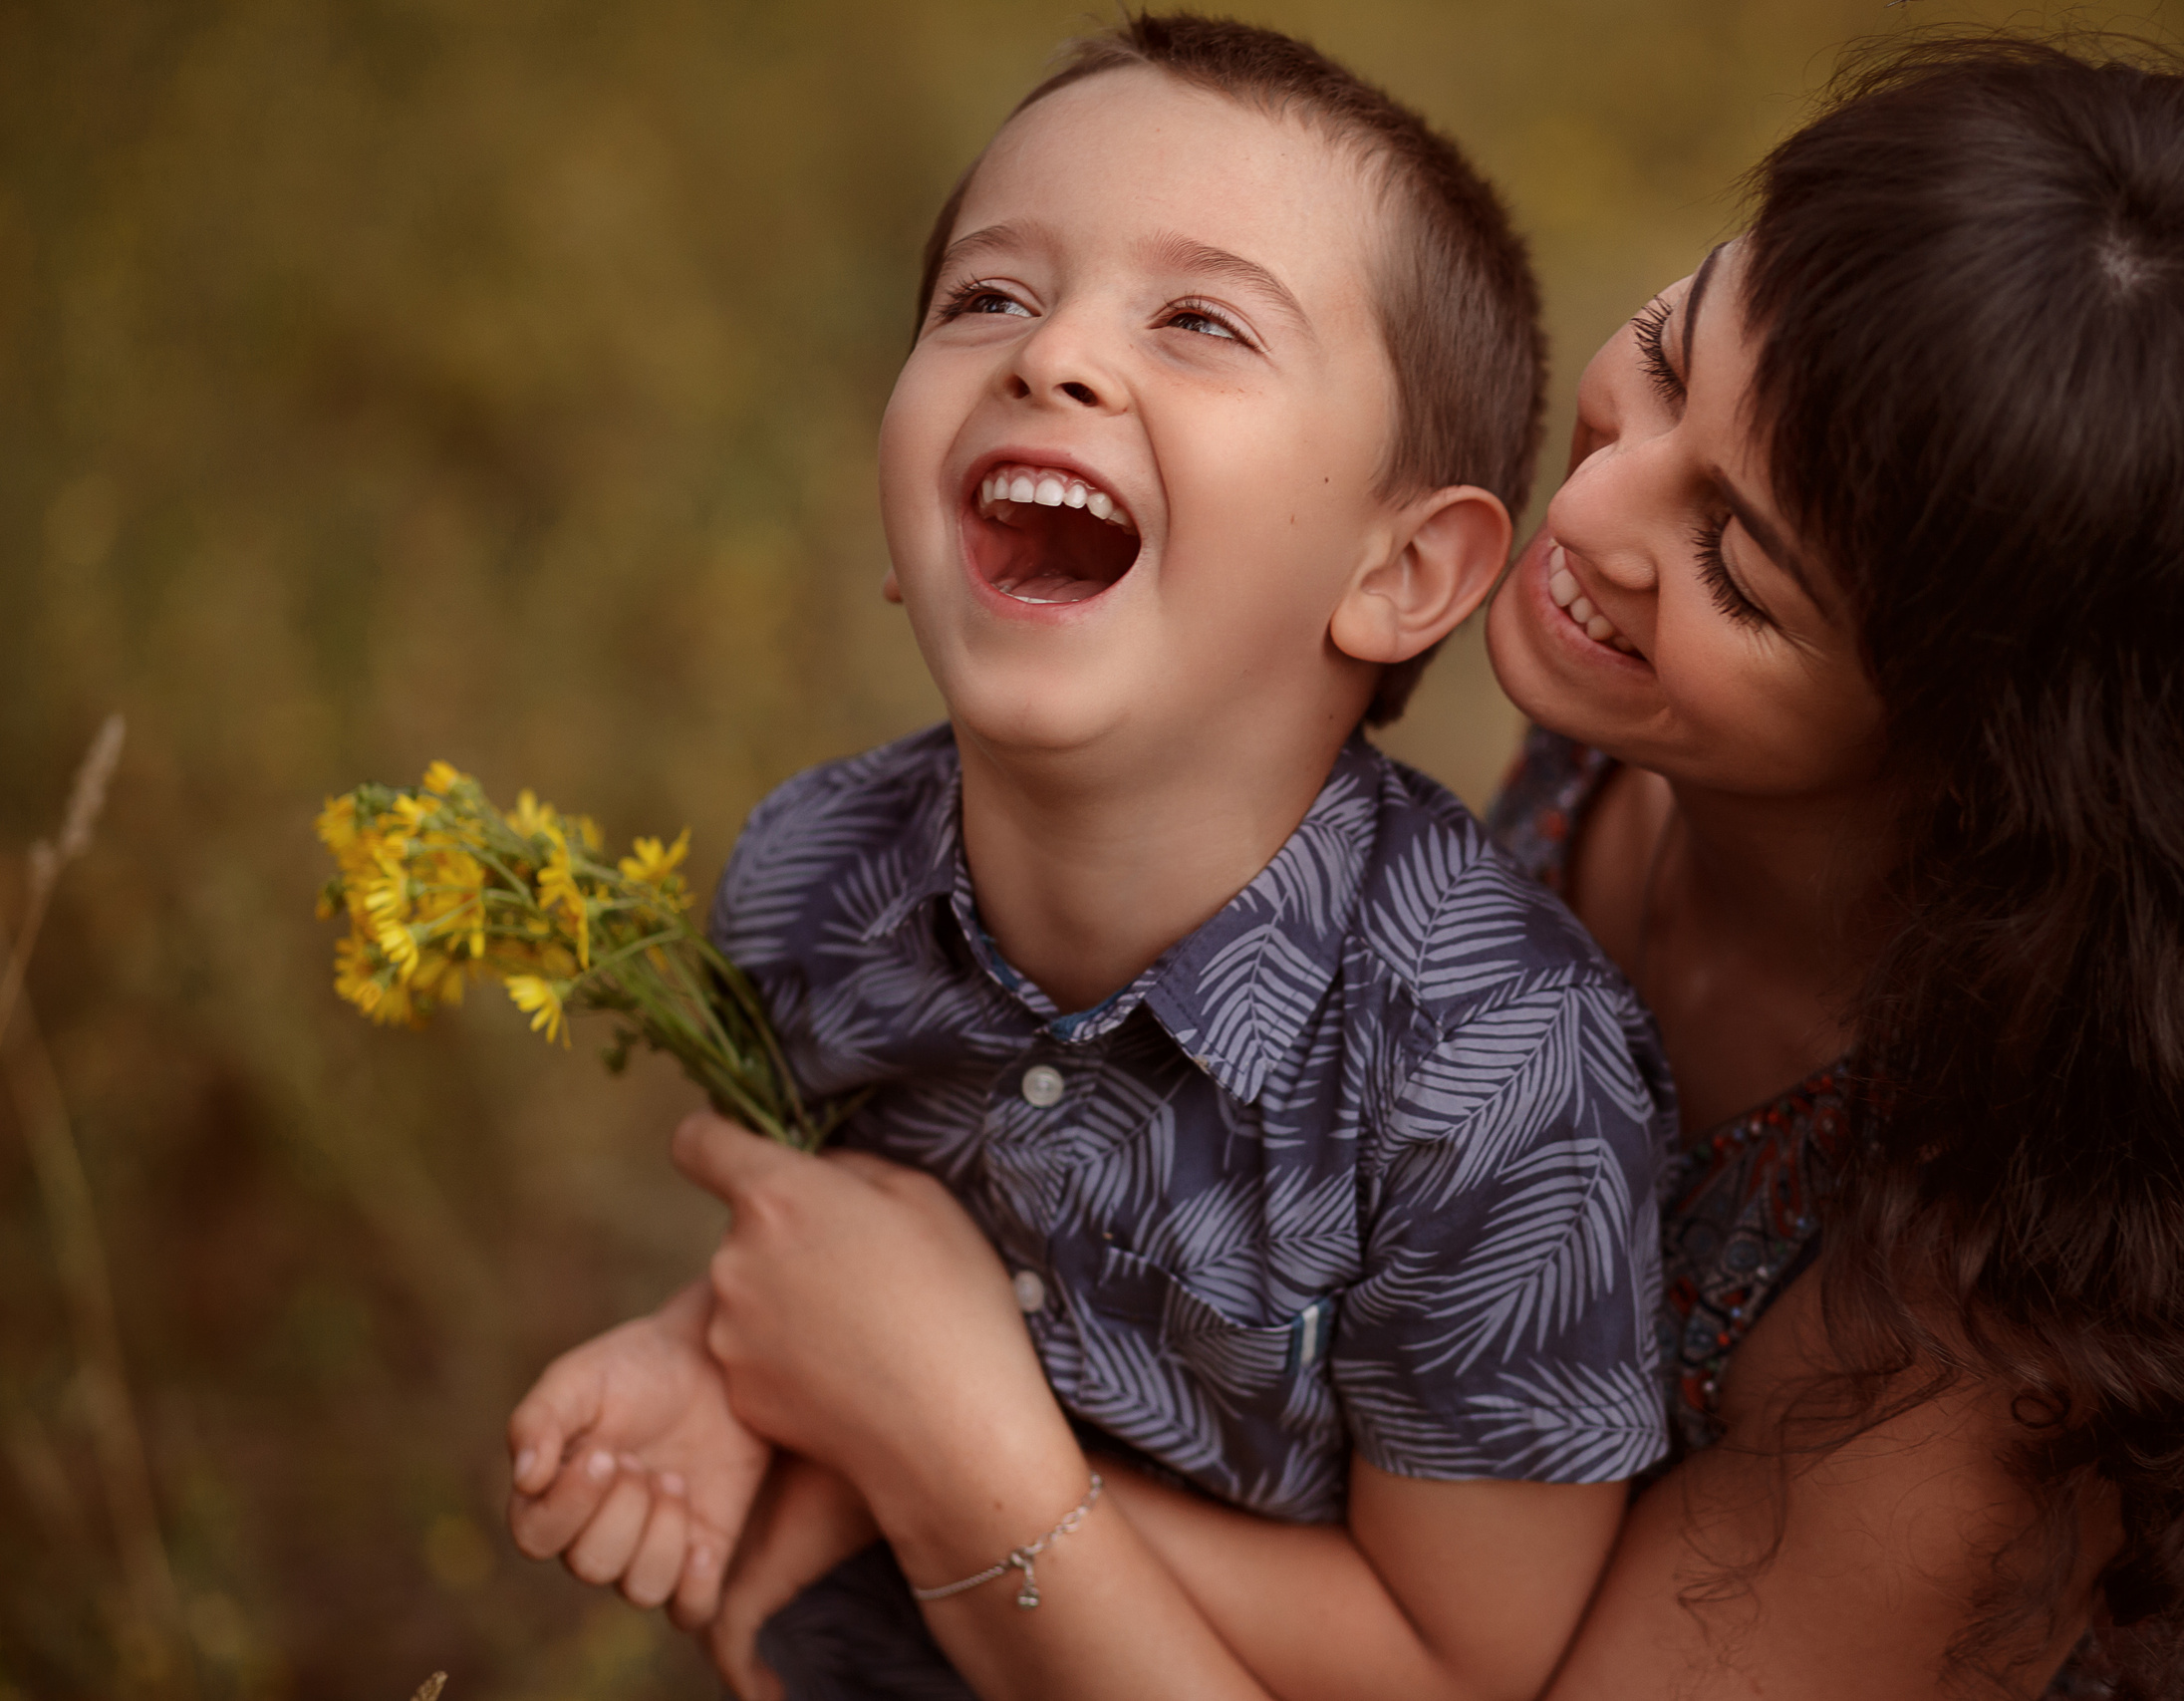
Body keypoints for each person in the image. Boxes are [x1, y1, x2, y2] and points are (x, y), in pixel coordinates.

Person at [669, 31, 2184, 1701]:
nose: (1584, 515)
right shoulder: (1622, 755)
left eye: (1740, 563)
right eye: (1666, 357)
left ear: (2006, 770)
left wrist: (947, 1453)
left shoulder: (1994, 1350)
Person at [502, 16, 1680, 1701]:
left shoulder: (1503, 1070)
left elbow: (1455, 1665)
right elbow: (843, 1246)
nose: (1049, 357)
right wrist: (712, 1360)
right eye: (988, 296)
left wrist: (896, 1452)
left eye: (1201, 321)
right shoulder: (810, 878)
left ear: (1406, 574)